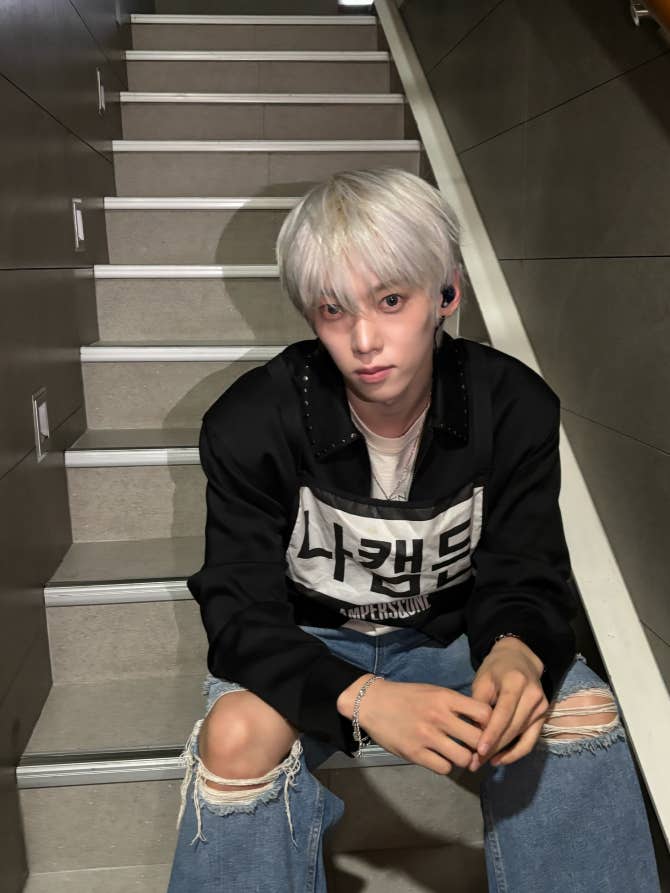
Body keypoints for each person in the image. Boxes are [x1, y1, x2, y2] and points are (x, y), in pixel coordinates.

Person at [166, 168, 661, 892]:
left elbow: (525, 571)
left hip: (449, 637)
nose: (365, 339)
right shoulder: (250, 422)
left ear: (446, 294)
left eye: (391, 300)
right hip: (311, 642)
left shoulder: (513, 405)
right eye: (334, 310)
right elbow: (238, 614)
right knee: (237, 735)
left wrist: (515, 650)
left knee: (578, 709)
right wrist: (363, 696)